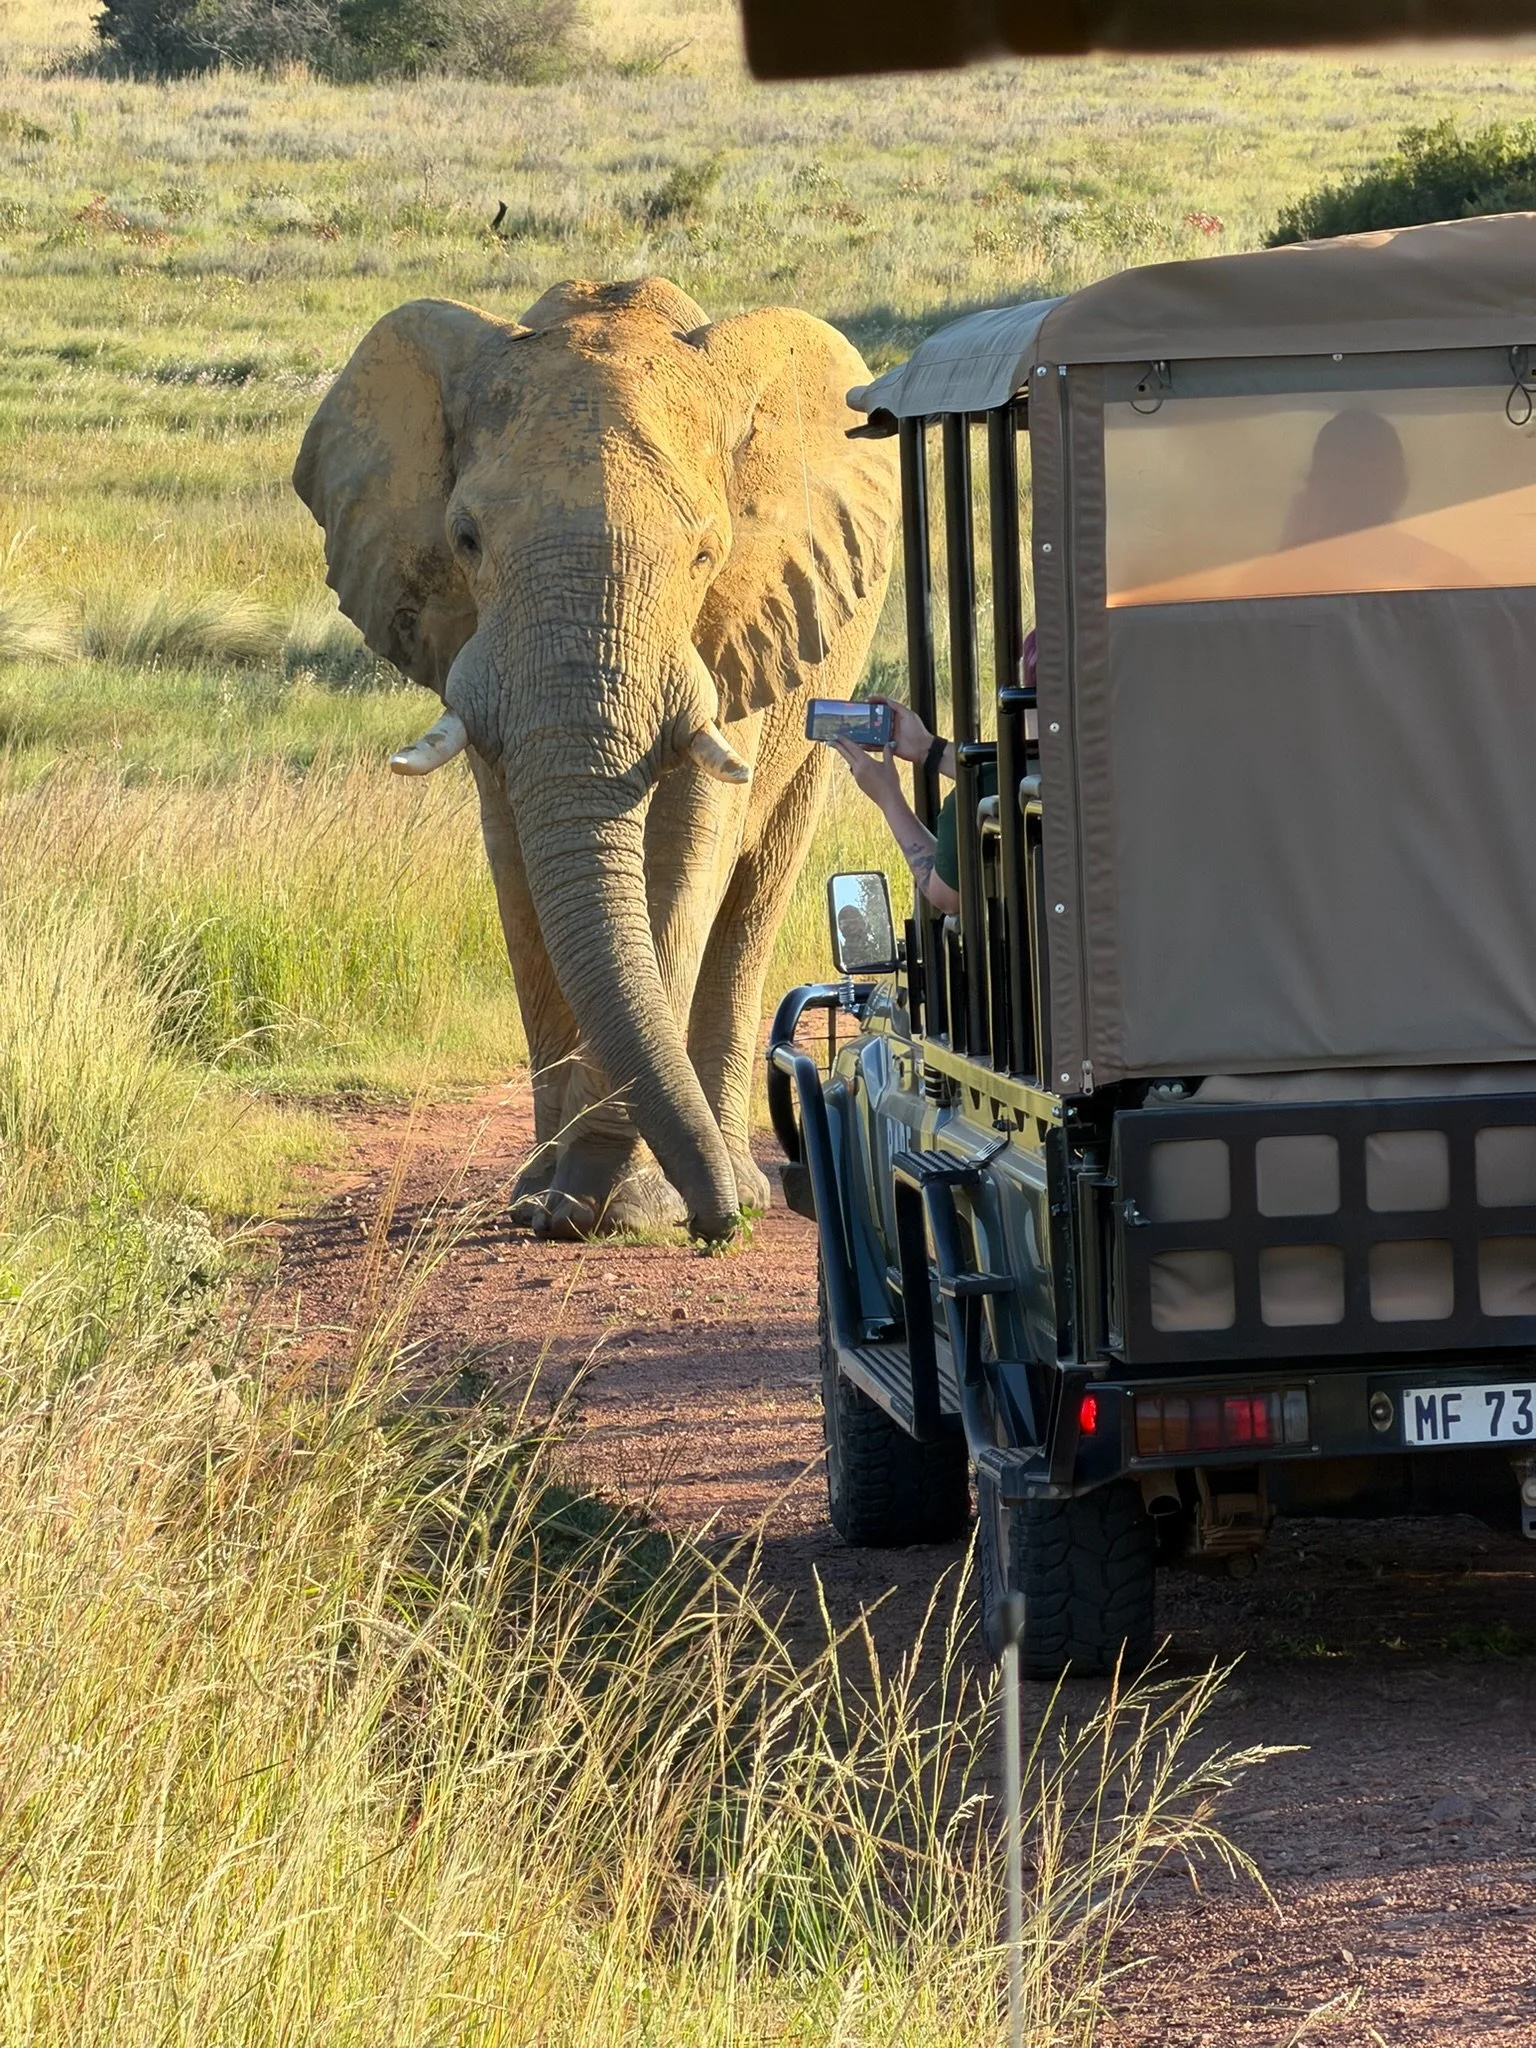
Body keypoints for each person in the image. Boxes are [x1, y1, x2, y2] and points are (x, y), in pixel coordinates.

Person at [832, 629, 1035, 917]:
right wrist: (929, 750)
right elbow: (1008, 771)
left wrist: (889, 799)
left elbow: (947, 898)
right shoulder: (1105, 774)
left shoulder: (980, 800)